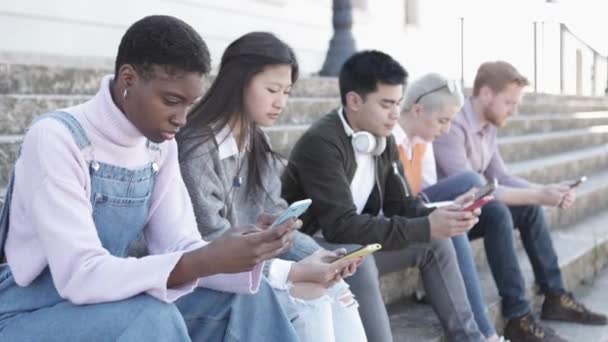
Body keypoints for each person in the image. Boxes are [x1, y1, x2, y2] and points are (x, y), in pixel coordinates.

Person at [0, 15, 300, 342]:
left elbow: (179, 245)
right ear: (128, 78)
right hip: (30, 313)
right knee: (151, 318)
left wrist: (239, 251)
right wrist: (205, 259)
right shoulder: (57, 139)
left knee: (250, 299)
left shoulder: (157, 147)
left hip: (114, 298)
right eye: (171, 101)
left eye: (189, 104)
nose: (182, 119)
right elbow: (80, 274)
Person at [281, 50, 487, 342]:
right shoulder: (322, 143)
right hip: (310, 245)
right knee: (358, 257)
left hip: (347, 238)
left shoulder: (383, 138)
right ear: (354, 101)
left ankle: (470, 338)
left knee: (436, 243)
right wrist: (427, 225)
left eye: (398, 104)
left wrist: (444, 214)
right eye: (386, 104)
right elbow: (340, 226)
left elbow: (399, 205)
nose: (395, 114)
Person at [177, 31, 367, 342]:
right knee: (311, 295)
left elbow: (277, 218)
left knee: (337, 286)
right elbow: (209, 243)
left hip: (251, 268)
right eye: (272, 89)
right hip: (209, 279)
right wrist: (293, 269)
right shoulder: (196, 148)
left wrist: (324, 259)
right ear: (238, 82)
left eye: (287, 92)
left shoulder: (256, 140)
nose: (280, 102)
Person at [433, 60, 607, 342]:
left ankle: (555, 296)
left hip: (473, 214)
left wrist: (547, 189)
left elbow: (501, 176)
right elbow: (477, 190)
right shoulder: (451, 126)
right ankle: (518, 317)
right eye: (509, 103)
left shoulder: (488, 126)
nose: (513, 111)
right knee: (499, 212)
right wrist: (541, 195)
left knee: (527, 208)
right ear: (486, 94)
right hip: (447, 218)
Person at [394, 72, 505, 342]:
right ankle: (485, 334)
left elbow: (426, 192)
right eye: (442, 121)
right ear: (418, 110)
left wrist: (453, 204)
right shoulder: (390, 140)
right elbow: (399, 202)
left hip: (416, 208)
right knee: (468, 181)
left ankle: (485, 334)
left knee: (464, 217)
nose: (445, 130)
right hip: (395, 215)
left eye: (450, 122)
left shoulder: (422, 142)